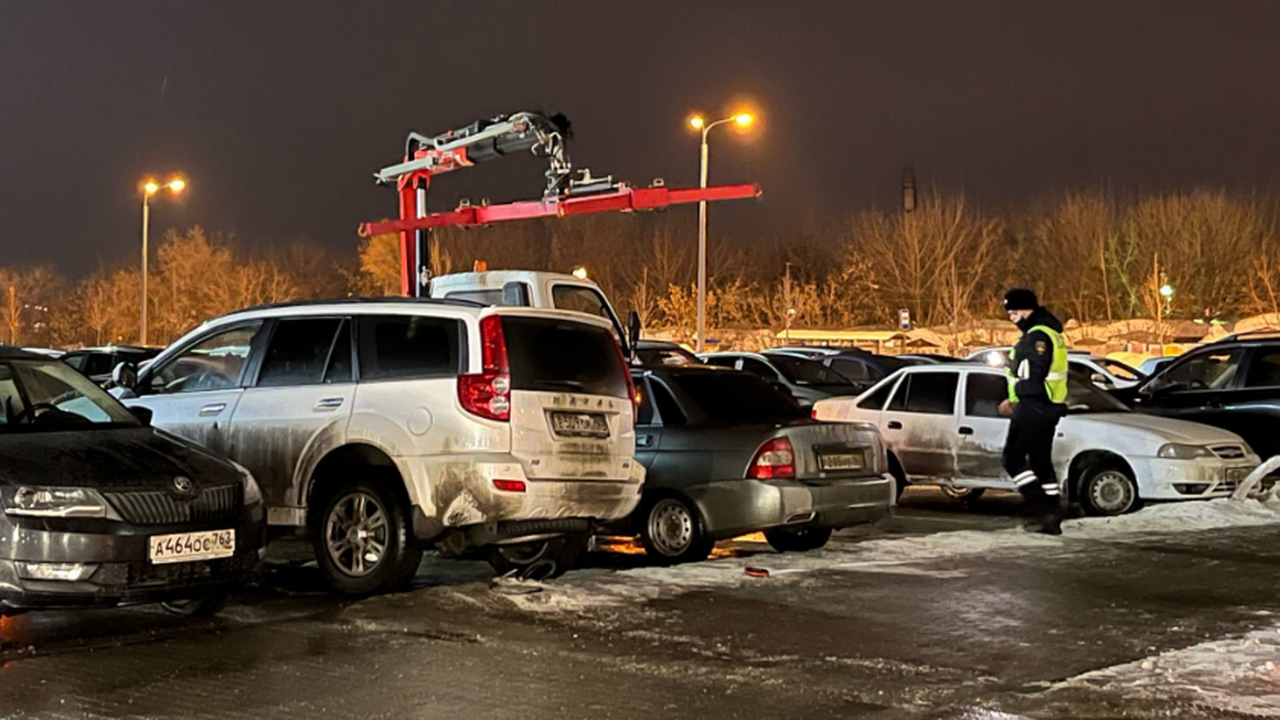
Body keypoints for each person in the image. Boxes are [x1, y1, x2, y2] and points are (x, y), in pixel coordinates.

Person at [998, 288, 1069, 535]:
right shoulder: (1051, 332)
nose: (1011, 317)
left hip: (1034, 403)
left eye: (1014, 311)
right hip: (1050, 406)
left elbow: (1031, 372)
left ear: (1027, 309)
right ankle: (1052, 514)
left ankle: (1039, 507)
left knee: (1013, 458)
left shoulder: (1036, 336)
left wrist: (1019, 399)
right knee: (1040, 461)